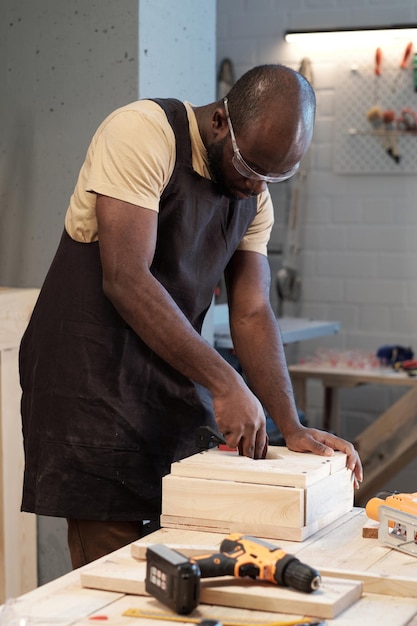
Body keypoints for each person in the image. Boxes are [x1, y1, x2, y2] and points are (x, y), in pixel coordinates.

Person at [19, 64, 362, 569]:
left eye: (273, 177)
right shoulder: (142, 133)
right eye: (249, 168)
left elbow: (251, 310)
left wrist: (289, 422)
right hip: (88, 374)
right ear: (221, 122)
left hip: (167, 372)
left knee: (193, 549)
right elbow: (126, 278)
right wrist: (226, 384)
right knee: (119, 571)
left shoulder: (254, 192)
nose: (256, 187)